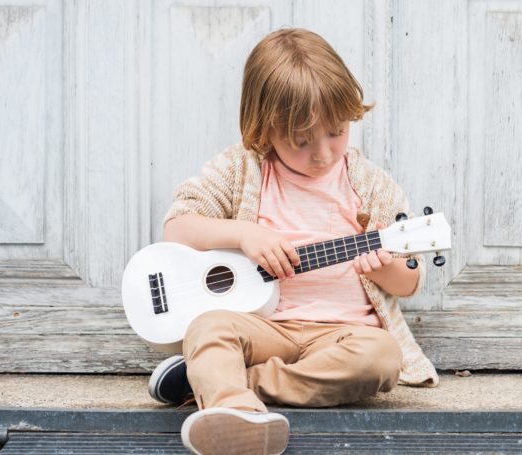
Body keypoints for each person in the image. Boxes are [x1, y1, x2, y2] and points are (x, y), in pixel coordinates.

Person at [147, 28, 440, 455]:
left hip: (341, 336)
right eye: (302, 141)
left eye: (337, 132)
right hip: (263, 329)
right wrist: (244, 233)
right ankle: (233, 415)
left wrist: (387, 267)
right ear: (265, 129)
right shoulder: (242, 170)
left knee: (382, 356)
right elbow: (178, 227)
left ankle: (232, 387)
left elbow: (411, 281)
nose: (322, 152)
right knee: (207, 326)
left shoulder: (371, 187)